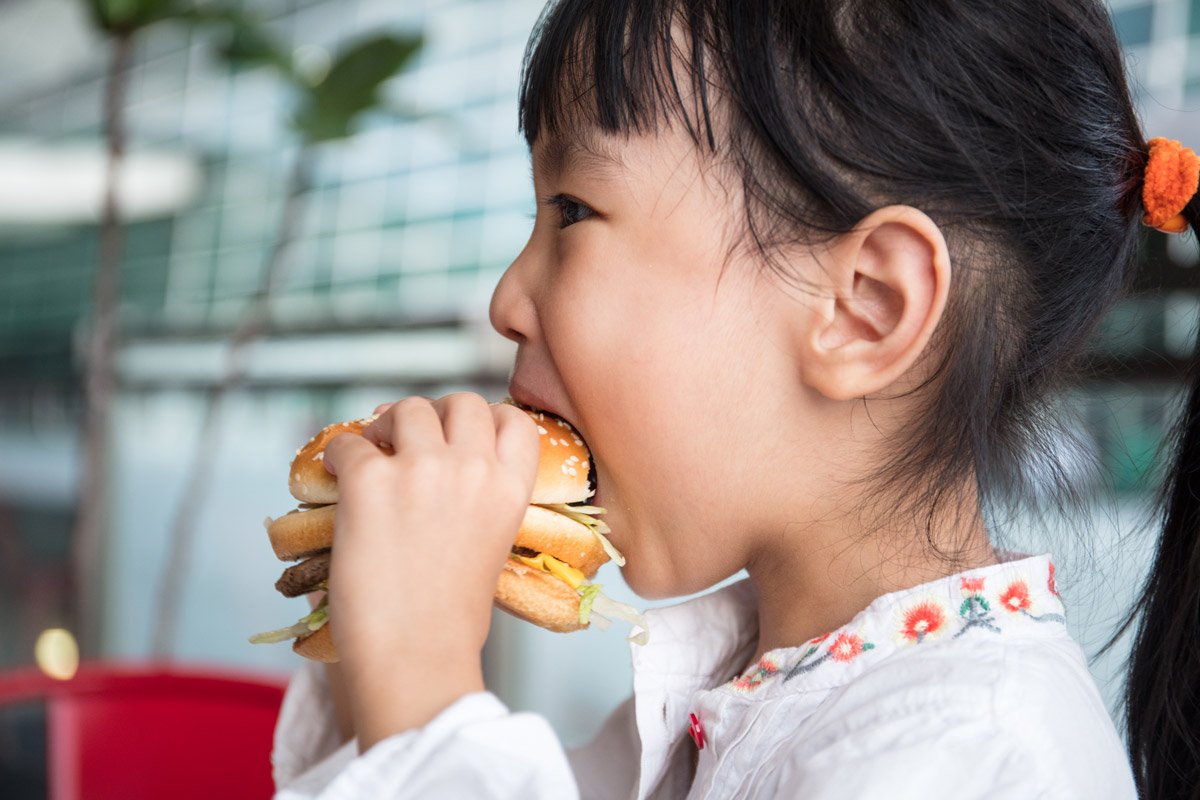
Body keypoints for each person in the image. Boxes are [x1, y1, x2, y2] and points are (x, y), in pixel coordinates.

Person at [269, 0, 1200, 797]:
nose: (507, 301)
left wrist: (425, 679)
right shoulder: (746, 681)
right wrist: (375, 639)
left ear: (864, 308)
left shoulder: (976, 755)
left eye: (574, 212)